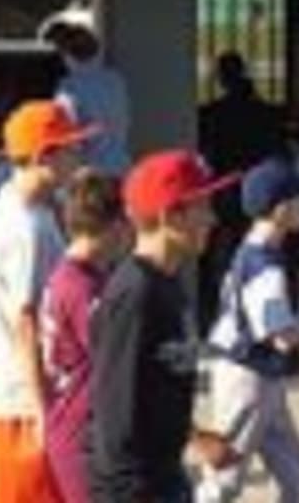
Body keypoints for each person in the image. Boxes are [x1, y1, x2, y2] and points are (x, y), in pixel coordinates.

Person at [0, 100, 92, 503]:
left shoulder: (6, 204)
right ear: (43, 156)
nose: (79, 157)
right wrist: (43, 408)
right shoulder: (27, 228)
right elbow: (28, 322)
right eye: (71, 148)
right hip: (18, 400)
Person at [90, 150, 231, 503]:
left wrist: (194, 435)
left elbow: (158, 388)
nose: (212, 219)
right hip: (137, 491)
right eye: (202, 208)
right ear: (171, 216)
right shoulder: (134, 294)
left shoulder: (170, 283)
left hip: (167, 477)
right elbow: (115, 418)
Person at [199, 159, 299, 503]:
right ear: (281, 209)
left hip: (261, 379)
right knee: (224, 481)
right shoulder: (265, 267)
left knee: (295, 475)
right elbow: (283, 339)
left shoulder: (250, 250)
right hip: (247, 379)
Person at [40, 169, 129, 503]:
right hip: (80, 432)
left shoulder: (72, 276)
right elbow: (115, 359)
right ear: (116, 225)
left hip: (70, 426)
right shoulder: (82, 287)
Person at [197, 52, 285, 325]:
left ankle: (211, 306)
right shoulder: (266, 112)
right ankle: (253, 305)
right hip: (260, 185)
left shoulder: (211, 113)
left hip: (224, 185)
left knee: (210, 249)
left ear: (221, 79)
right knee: (257, 248)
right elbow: (277, 148)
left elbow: (204, 152)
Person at [43, 9, 131, 175]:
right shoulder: (115, 80)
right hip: (121, 166)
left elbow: (68, 137)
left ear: (65, 54)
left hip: (90, 175)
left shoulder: (70, 88)